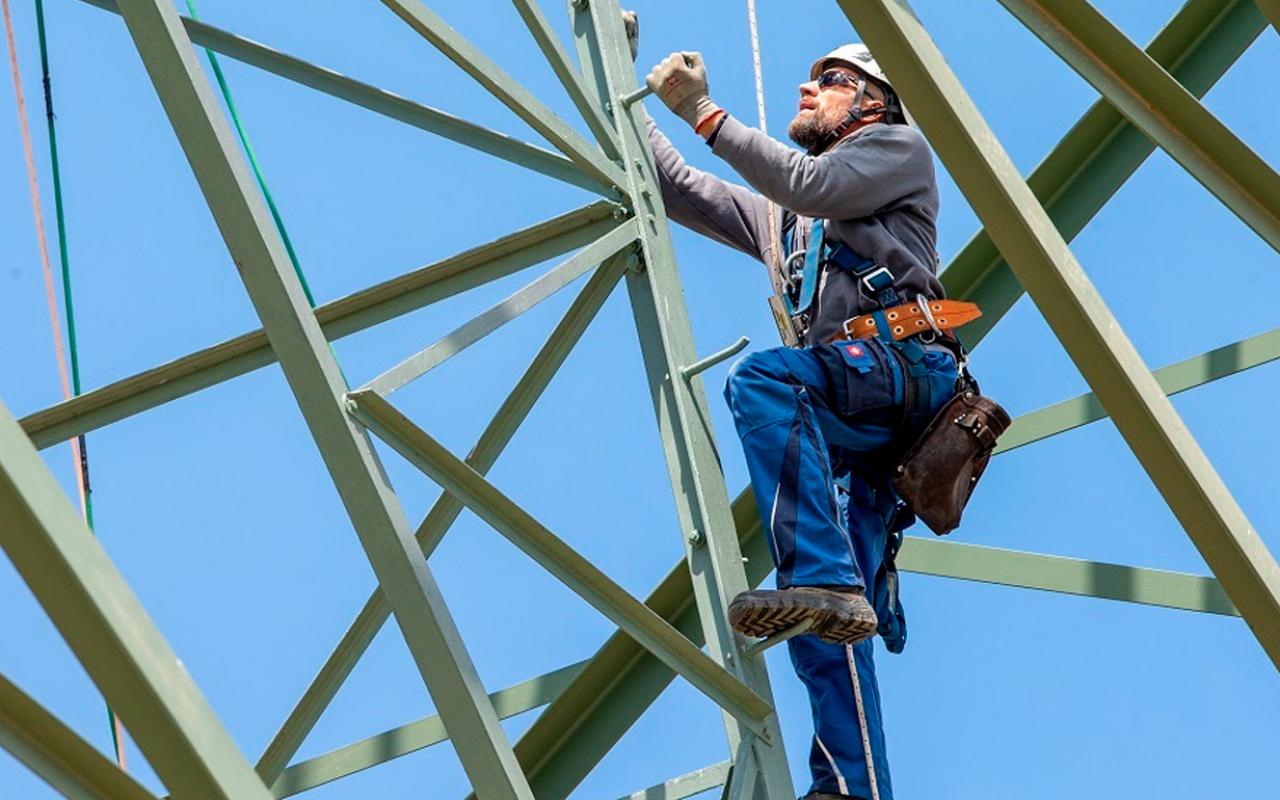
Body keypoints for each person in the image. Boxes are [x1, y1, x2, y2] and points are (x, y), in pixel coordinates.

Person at [630, 14, 978, 800]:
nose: (806, 88)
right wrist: (624, 92)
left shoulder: (896, 152)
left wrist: (705, 112)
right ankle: (853, 788)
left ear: (871, 103)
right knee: (831, 618)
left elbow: (808, 181)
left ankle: (822, 577)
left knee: (763, 381)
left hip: (898, 368)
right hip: (848, 394)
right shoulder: (786, 218)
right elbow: (680, 187)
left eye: (828, 82)